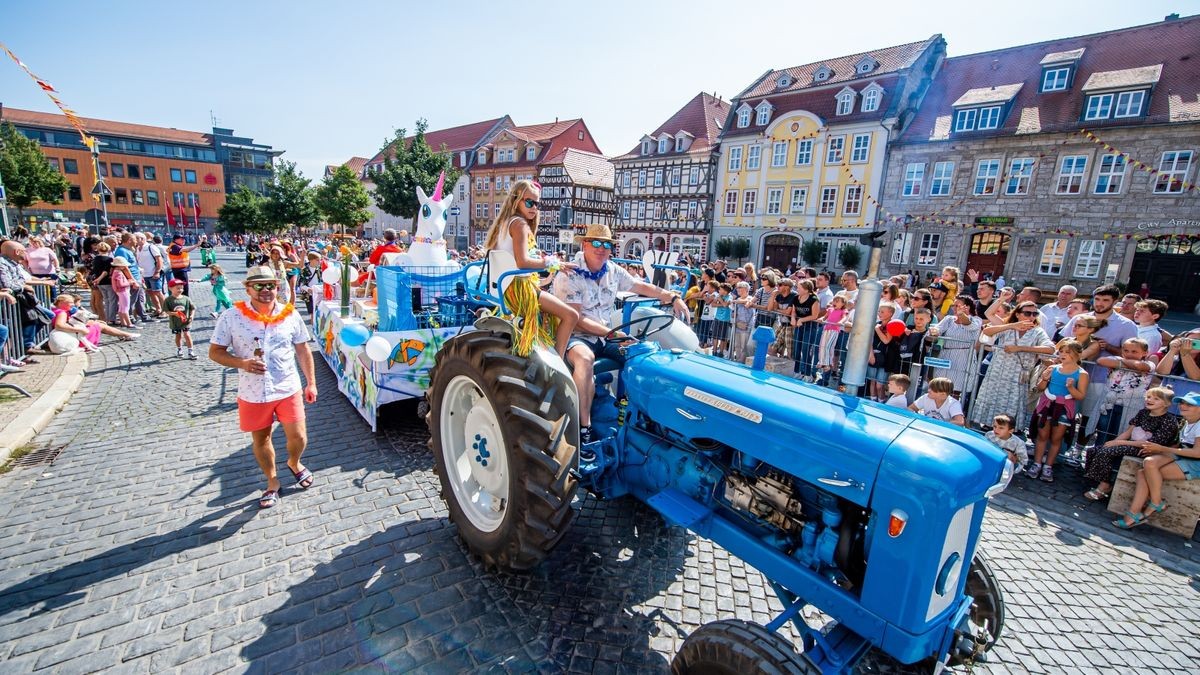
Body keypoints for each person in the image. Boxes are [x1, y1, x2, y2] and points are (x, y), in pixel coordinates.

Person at [551, 224, 690, 443]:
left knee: (642, 353)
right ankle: (584, 427)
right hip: (576, 335)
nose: (601, 248)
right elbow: (576, 320)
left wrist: (671, 297)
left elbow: (641, 286)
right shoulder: (571, 273)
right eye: (596, 243)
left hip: (605, 335)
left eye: (607, 244)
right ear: (585, 244)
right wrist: (614, 334)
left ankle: (641, 415)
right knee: (584, 359)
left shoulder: (613, 270)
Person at [208, 265, 318, 509]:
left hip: (288, 386)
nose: (266, 290)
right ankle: (272, 481)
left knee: (298, 436)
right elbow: (215, 352)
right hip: (253, 392)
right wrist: (242, 363)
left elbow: (302, 348)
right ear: (248, 288)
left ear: (277, 287)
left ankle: (294, 462)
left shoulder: (290, 314)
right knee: (261, 439)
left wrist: (311, 382)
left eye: (270, 285)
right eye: (259, 285)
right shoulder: (231, 317)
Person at [483, 179, 578, 357]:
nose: (534, 207)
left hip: (507, 288)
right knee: (571, 315)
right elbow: (522, 262)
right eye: (529, 202)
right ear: (516, 200)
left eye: (537, 203)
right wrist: (555, 263)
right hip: (519, 289)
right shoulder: (519, 224)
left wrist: (546, 261)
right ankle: (558, 364)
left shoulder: (506, 223)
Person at [1112, 391, 1199, 529]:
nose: (1183, 406)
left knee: (1146, 472)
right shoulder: (1186, 421)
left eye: (1190, 404)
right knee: (1147, 466)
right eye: (1182, 402)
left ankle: (1142, 510)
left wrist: (1163, 449)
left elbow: (1197, 453)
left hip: (1195, 462)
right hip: (1183, 454)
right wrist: (1157, 449)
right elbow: (1179, 445)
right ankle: (1150, 505)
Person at [1083, 386, 1180, 504]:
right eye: (1149, 397)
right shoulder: (1143, 412)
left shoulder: (1169, 420)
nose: (1150, 400)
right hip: (1133, 444)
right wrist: (1113, 442)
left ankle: (1105, 485)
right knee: (1096, 450)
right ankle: (1097, 480)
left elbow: (1152, 444)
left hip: (1148, 450)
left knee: (1106, 452)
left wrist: (1118, 443)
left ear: (1166, 403)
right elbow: (1129, 432)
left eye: (1156, 399)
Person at [969, 301, 1055, 429]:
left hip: (1018, 374)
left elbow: (1050, 349)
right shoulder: (1008, 327)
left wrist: (1020, 348)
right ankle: (987, 425)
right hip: (997, 371)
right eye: (1027, 313)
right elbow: (987, 332)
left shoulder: (1038, 331)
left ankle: (1008, 430)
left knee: (1011, 403)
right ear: (1018, 314)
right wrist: (1011, 326)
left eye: (1034, 314)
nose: (1031, 316)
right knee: (992, 398)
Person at [1026, 339, 1090, 482]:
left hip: (1064, 408)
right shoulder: (1053, 369)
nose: (1062, 354)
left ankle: (1048, 466)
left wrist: (1071, 388)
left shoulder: (1082, 374)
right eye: (1061, 351)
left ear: (1077, 355)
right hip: (1047, 405)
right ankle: (1036, 463)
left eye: (1067, 352)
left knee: (1056, 438)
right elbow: (1041, 388)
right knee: (1042, 435)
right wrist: (1044, 379)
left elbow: (1080, 395)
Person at [163, 279, 197, 359]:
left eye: (181, 288)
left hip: (186, 321)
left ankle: (190, 351)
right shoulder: (168, 300)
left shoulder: (186, 299)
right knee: (178, 336)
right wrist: (175, 314)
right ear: (170, 288)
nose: (180, 290)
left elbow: (193, 308)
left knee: (187, 335)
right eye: (177, 288)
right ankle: (179, 349)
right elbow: (167, 311)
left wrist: (191, 316)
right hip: (175, 322)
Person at [108, 257, 135, 328]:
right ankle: (129, 323)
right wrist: (129, 282)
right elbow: (120, 284)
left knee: (121, 308)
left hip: (120, 292)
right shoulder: (119, 273)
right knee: (125, 308)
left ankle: (123, 323)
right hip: (123, 291)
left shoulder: (115, 271)